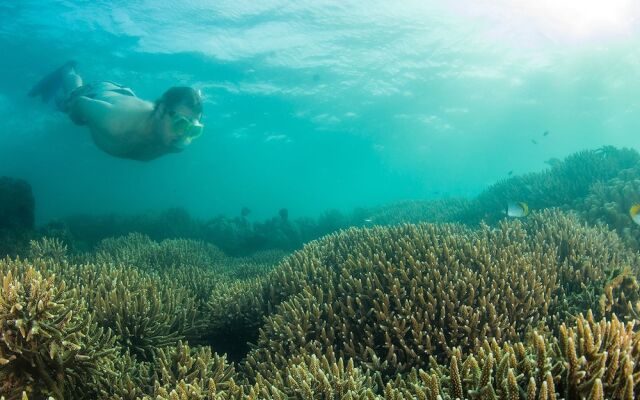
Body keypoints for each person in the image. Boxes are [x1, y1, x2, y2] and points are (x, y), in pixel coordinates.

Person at [29, 61, 204, 161]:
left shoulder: (176, 141)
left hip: (126, 97)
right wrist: (74, 116)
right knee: (72, 97)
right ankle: (68, 68)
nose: (184, 134)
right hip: (100, 92)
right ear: (160, 112)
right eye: (180, 123)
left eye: (193, 130)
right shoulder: (114, 123)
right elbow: (81, 103)